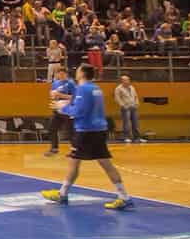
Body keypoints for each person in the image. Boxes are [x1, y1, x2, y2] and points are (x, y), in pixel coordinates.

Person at [42, 64, 135, 211]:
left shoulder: (82, 88)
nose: (76, 72)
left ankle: (62, 194)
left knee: (74, 162)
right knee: (106, 164)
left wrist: (62, 108)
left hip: (86, 131)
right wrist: (68, 102)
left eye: (78, 70)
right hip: (99, 129)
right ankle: (124, 197)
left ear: (82, 74)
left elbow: (79, 111)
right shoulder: (96, 89)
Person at [44, 65, 75, 156]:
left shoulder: (70, 83)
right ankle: (54, 148)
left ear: (66, 74)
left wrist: (61, 95)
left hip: (67, 110)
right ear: (57, 74)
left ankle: (74, 151)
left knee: (70, 131)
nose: (61, 75)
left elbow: (74, 97)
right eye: (59, 74)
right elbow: (53, 95)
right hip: (58, 110)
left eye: (63, 74)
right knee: (52, 128)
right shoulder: (55, 83)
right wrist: (53, 97)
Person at [113, 73, 144, 143]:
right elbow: (117, 98)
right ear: (122, 81)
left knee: (136, 123)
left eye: (128, 79)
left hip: (133, 106)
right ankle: (126, 137)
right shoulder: (118, 88)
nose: (127, 81)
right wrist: (123, 105)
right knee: (126, 123)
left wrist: (137, 103)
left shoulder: (132, 87)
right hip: (125, 108)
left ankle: (137, 137)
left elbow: (135, 96)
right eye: (125, 80)